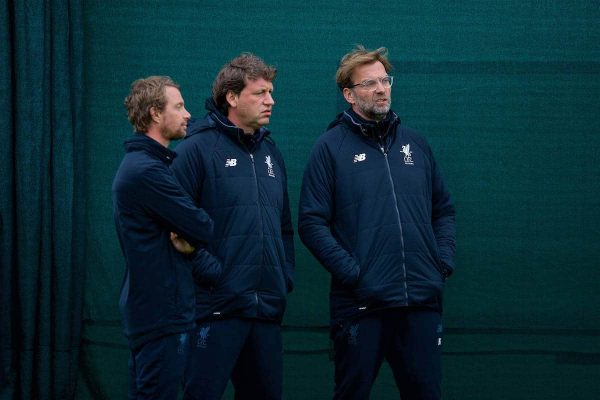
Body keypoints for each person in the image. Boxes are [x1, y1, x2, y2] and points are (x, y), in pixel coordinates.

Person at [298, 45, 456, 400]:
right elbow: (311, 222)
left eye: (385, 80)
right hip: (361, 307)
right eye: (369, 83)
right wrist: (355, 274)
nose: (382, 89)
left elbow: (443, 209)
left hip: (420, 302)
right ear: (349, 95)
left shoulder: (415, 143)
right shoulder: (329, 148)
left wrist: (440, 262)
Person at [171, 53, 295, 400]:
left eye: (271, 92)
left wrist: (282, 276)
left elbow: (284, 227)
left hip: (266, 311)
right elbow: (172, 225)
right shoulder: (195, 149)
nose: (271, 100)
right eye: (260, 93)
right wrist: (213, 273)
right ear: (232, 97)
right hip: (214, 309)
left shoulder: (271, 153)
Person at [112, 76, 219, 399]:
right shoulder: (146, 171)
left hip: (160, 312)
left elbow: (194, 231)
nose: (188, 114)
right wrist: (193, 236)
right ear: (156, 114)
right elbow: (203, 226)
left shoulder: (148, 166)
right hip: (161, 315)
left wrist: (190, 241)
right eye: (179, 106)